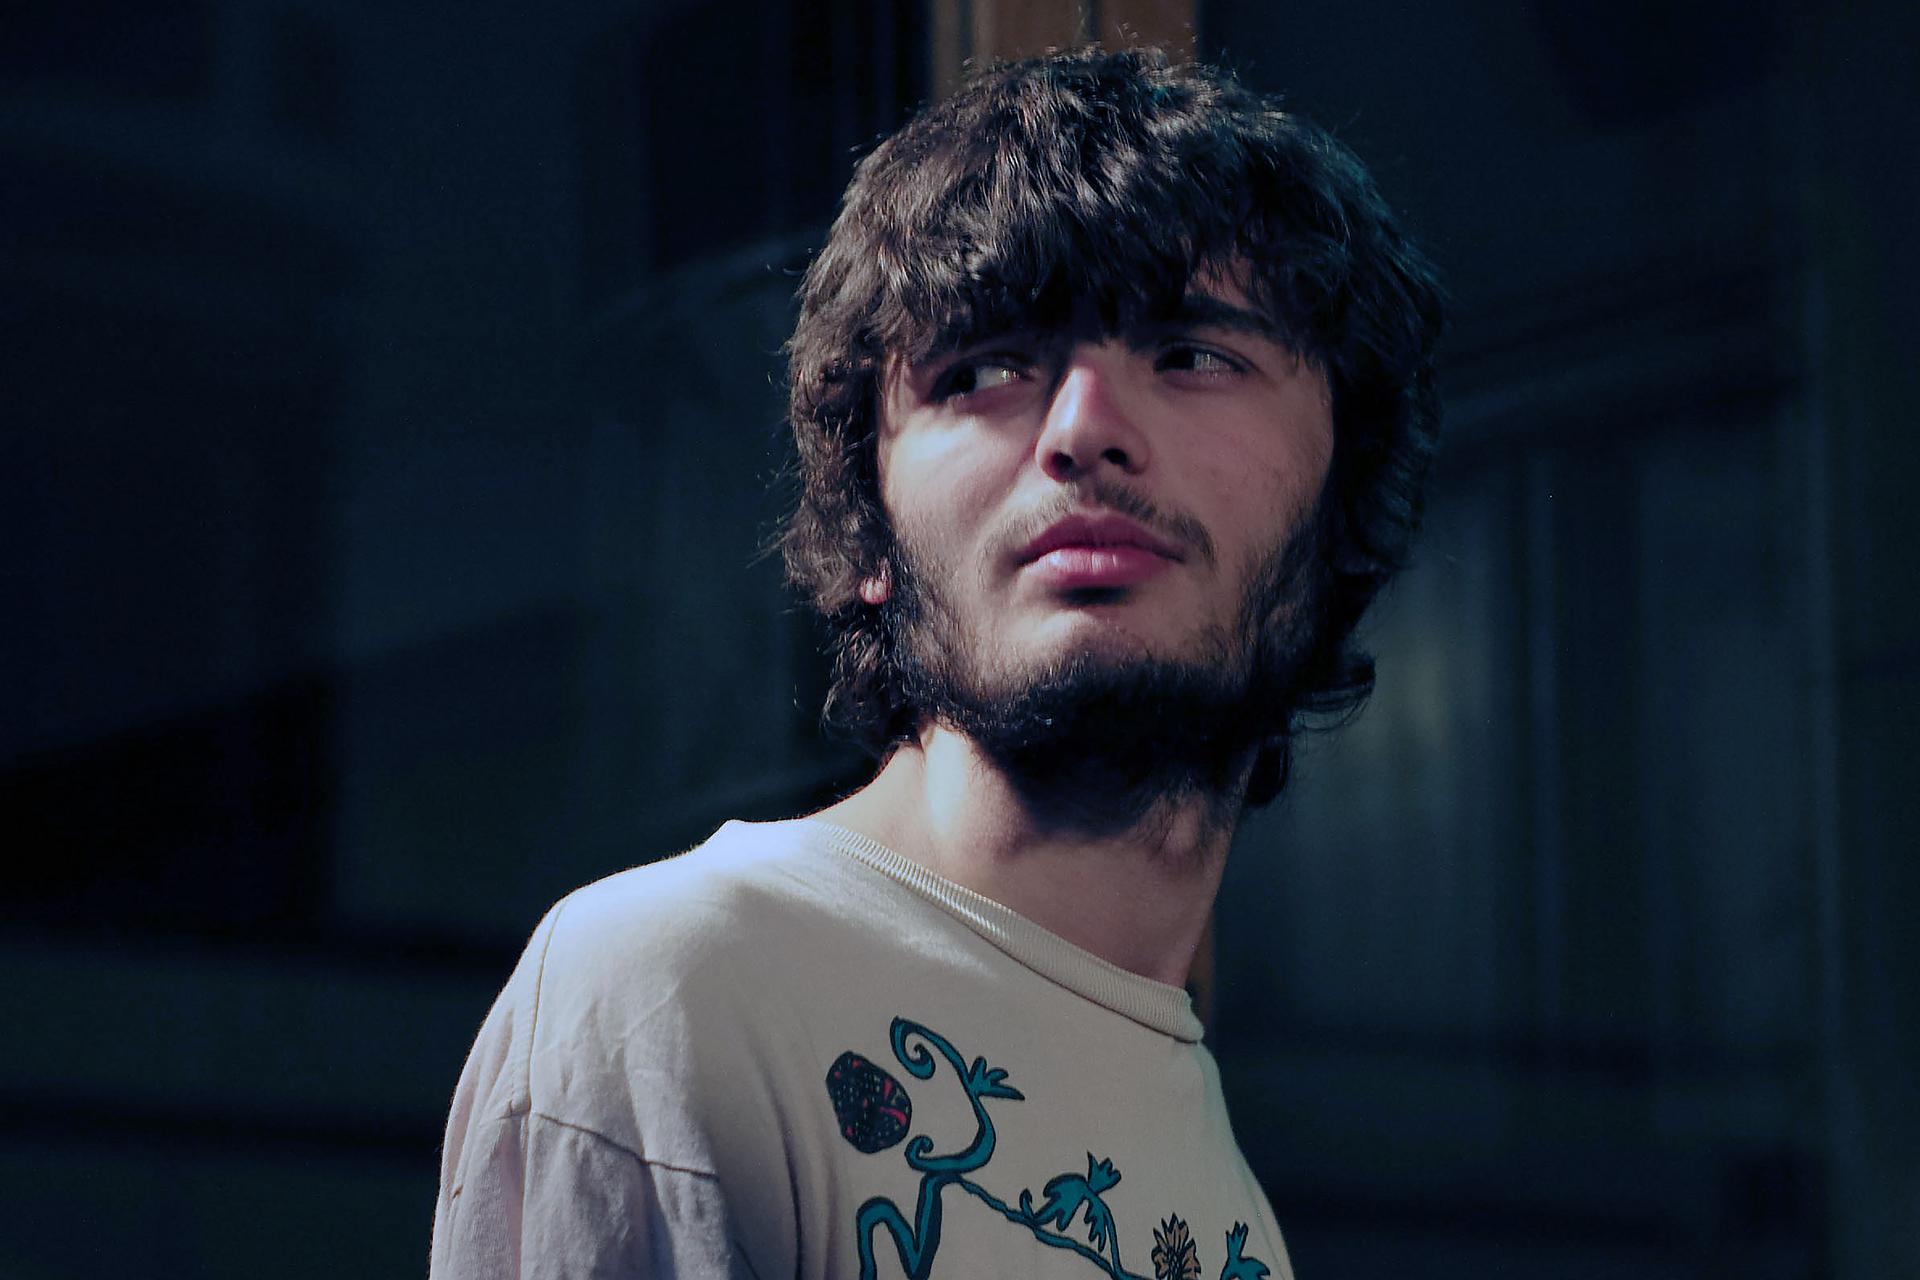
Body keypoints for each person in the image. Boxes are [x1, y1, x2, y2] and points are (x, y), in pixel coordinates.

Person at [430, 46, 1442, 1279]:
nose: (1085, 431)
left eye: (1192, 354)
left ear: (1345, 504)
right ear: (867, 529)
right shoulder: (675, 989)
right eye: (986, 370)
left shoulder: (1228, 1201)